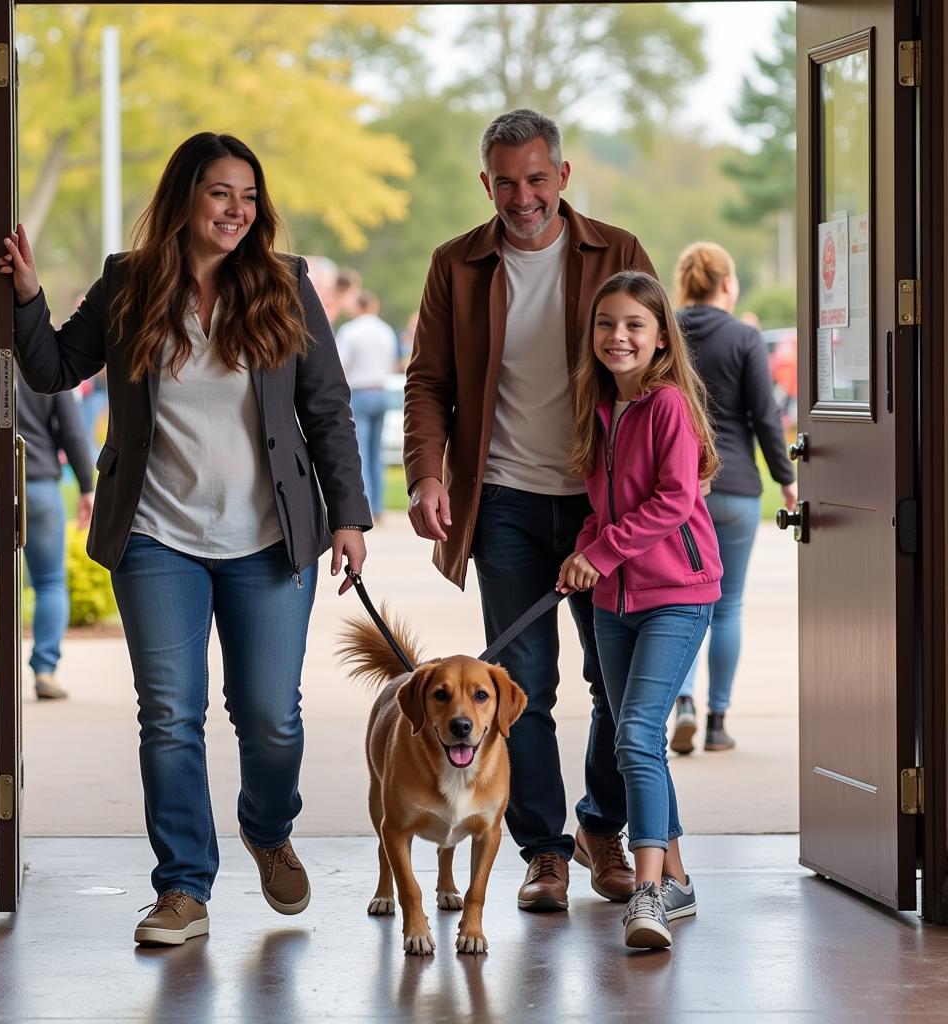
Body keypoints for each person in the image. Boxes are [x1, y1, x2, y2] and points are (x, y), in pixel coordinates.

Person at [0, 132, 371, 947]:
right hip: (157, 534)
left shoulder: (285, 284)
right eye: (219, 194)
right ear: (184, 198)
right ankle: (182, 889)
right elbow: (55, 368)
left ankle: (267, 829)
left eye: (247, 196)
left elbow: (329, 408)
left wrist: (347, 514)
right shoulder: (129, 283)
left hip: (269, 538)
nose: (236, 211)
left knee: (271, 716)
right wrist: (27, 296)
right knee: (170, 715)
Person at [404, 108, 656, 912]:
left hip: (600, 504)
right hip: (506, 501)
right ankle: (543, 852)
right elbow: (429, 381)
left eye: (537, 179)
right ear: (487, 184)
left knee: (617, 685)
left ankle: (601, 828)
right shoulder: (457, 264)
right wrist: (428, 476)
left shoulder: (616, 252)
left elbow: (659, 366)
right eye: (507, 182)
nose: (523, 197)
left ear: (563, 178)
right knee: (524, 689)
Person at [556, 269, 722, 949]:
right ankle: (677, 878)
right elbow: (608, 508)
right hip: (613, 601)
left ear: (660, 339)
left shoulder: (668, 406)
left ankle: (649, 894)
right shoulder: (600, 406)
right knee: (638, 741)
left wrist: (603, 550)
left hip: (677, 595)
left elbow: (674, 500)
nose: (618, 336)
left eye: (634, 325)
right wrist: (586, 548)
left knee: (633, 739)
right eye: (606, 324)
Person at [670, 242, 797, 754]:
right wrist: (785, 478)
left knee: (681, 604)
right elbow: (766, 417)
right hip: (739, 489)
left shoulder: (665, 329)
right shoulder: (745, 337)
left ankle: (682, 703)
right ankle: (719, 722)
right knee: (728, 607)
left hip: (679, 490)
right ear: (728, 283)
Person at [16, 377, 95, 700]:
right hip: (39, 485)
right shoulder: (43, 362)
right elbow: (72, 431)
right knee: (49, 582)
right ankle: (45, 670)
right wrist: (87, 486)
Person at [335, 290, 399, 520]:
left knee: (359, 452)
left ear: (357, 307)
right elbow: (392, 362)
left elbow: (340, 365)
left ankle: (367, 505)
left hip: (360, 393)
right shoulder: (386, 331)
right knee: (377, 452)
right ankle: (379, 505)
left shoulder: (350, 331)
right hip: (381, 392)